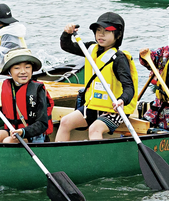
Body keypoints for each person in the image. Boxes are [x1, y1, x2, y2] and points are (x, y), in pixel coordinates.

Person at [56, 12, 138, 141]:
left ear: (118, 34)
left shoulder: (119, 59)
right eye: (98, 30)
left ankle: (97, 160)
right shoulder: (90, 49)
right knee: (65, 122)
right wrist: (67, 33)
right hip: (93, 105)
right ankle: (58, 159)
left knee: (95, 128)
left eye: (106, 31)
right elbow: (66, 45)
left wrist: (122, 100)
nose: (101, 34)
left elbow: (129, 88)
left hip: (114, 110)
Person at [0, 50, 54, 144]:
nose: (23, 71)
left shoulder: (38, 89)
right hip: (14, 131)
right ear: (9, 71)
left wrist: (23, 131)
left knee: (8, 141)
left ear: (32, 70)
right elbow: (7, 115)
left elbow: (42, 123)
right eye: (17, 68)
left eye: (27, 67)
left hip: (33, 135)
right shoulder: (8, 86)